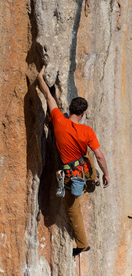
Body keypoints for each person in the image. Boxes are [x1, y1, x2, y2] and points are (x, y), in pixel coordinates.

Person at [36, 65, 110, 257]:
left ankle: (82, 244)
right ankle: (92, 179)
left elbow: (48, 96)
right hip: (84, 170)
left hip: (70, 176)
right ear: (83, 113)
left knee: (72, 209)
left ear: (69, 109)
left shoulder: (59, 121)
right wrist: (106, 174)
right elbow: (100, 155)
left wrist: (40, 76)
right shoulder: (88, 132)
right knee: (88, 155)